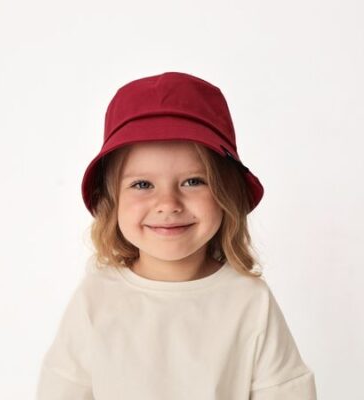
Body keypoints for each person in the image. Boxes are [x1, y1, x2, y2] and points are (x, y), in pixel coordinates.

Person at [36, 72, 317, 399]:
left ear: (226, 193)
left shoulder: (250, 301)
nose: (168, 203)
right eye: (143, 184)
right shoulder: (96, 299)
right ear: (112, 201)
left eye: (193, 181)